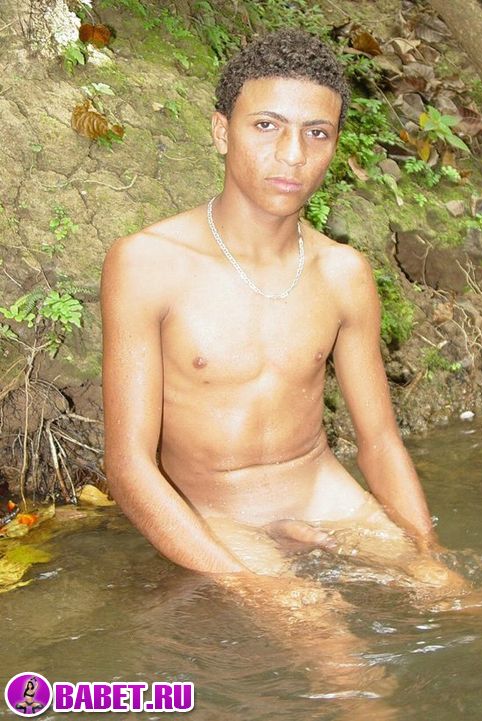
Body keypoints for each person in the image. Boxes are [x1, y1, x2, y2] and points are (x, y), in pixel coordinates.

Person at [100, 28, 462, 592]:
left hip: (322, 494)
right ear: (222, 132)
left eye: (316, 133)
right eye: (267, 126)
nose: (293, 155)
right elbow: (128, 466)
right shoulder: (147, 264)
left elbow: (380, 443)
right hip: (213, 512)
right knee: (322, 635)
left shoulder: (342, 273)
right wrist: (252, 584)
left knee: (457, 598)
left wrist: (427, 554)